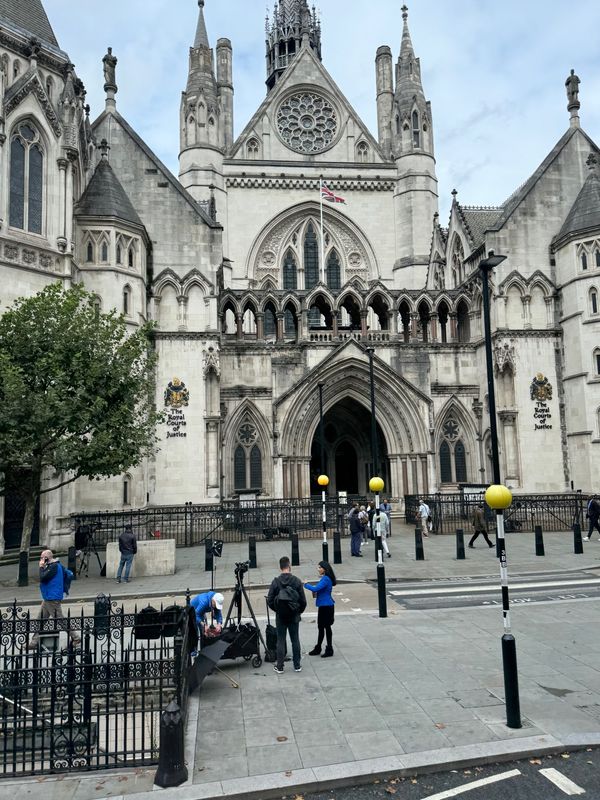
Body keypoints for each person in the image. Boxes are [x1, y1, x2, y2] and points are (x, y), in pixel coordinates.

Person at [29, 549, 79, 649]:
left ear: (47, 558)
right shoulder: (56, 565)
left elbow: (43, 578)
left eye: (42, 558)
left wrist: (41, 567)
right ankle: (34, 643)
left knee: (60, 619)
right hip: (48, 597)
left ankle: (76, 638)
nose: (41, 559)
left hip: (52, 597)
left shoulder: (54, 567)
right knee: (41, 620)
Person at [267, 556, 307, 674]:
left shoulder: (276, 582)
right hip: (294, 615)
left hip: (281, 616)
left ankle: (280, 666)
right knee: (295, 639)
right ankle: (297, 665)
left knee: (280, 640)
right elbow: (303, 601)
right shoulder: (296, 581)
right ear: (289, 566)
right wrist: (298, 611)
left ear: (280, 567)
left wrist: (278, 609)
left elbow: (270, 600)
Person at [304, 561, 336, 658]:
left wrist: (306, 584)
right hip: (325, 606)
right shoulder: (326, 578)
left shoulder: (325, 579)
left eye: (319, 567)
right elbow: (320, 590)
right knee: (323, 627)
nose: (318, 569)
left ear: (324, 569)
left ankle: (326, 648)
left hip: (326, 607)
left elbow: (315, 589)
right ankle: (320, 648)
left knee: (324, 627)